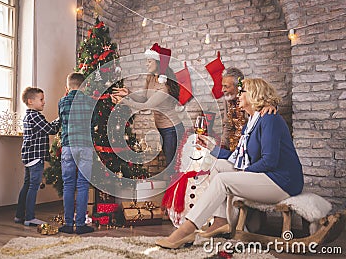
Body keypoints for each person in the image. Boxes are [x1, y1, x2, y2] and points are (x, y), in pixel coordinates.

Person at [155, 78, 304, 249]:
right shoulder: (252, 122)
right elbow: (238, 157)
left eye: (243, 92)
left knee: (223, 180)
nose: (238, 95)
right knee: (217, 166)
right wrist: (212, 147)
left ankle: (186, 230)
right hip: (267, 176)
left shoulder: (269, 118)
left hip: (282, 181)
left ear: (254, 95)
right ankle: (220, 221)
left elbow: (269, 161)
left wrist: (240, 174)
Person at [112, 43, 184, 167]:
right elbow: (143, 98)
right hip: (162, 128)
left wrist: (123, 101)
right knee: (170, 162)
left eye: (149, 61)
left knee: (172, 165)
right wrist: (128, 93)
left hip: (172, 129)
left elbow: (146, 105)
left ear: (158, 62)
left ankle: (174, 186)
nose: (147, 64)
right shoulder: (150, 78)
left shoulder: (164, 87)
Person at [15, 87, 60, 226]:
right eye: (41, 99)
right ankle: (29, 217)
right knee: (33, 186)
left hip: (28, 156)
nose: (44, 102)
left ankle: (19, 216)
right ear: (30, 101)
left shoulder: (28, 115)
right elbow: (51, 129)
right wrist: (62, 117)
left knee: (27, 185)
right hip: (35, 157)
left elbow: (46, 128)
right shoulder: (35, 116)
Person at [58, 72, 95, 235]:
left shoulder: (62, 102)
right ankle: (80, 224)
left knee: (68, 185)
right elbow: (93, 122)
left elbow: (61, 121)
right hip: (85, 146)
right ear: (84, 86)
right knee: (82, 185)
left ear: (67, 87)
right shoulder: (89, 101)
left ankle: (67, 223)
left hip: (68, 146)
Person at [220, 67, 276, 151]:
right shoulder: (227, 98)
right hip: (233, 147)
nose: (222, 90)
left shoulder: (250, 97)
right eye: (222, 86)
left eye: (226, 86)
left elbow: (266, 104)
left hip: (252, 147)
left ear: (238, 86)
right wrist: (223, 145)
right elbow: (227, 125)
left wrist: (271, 106)